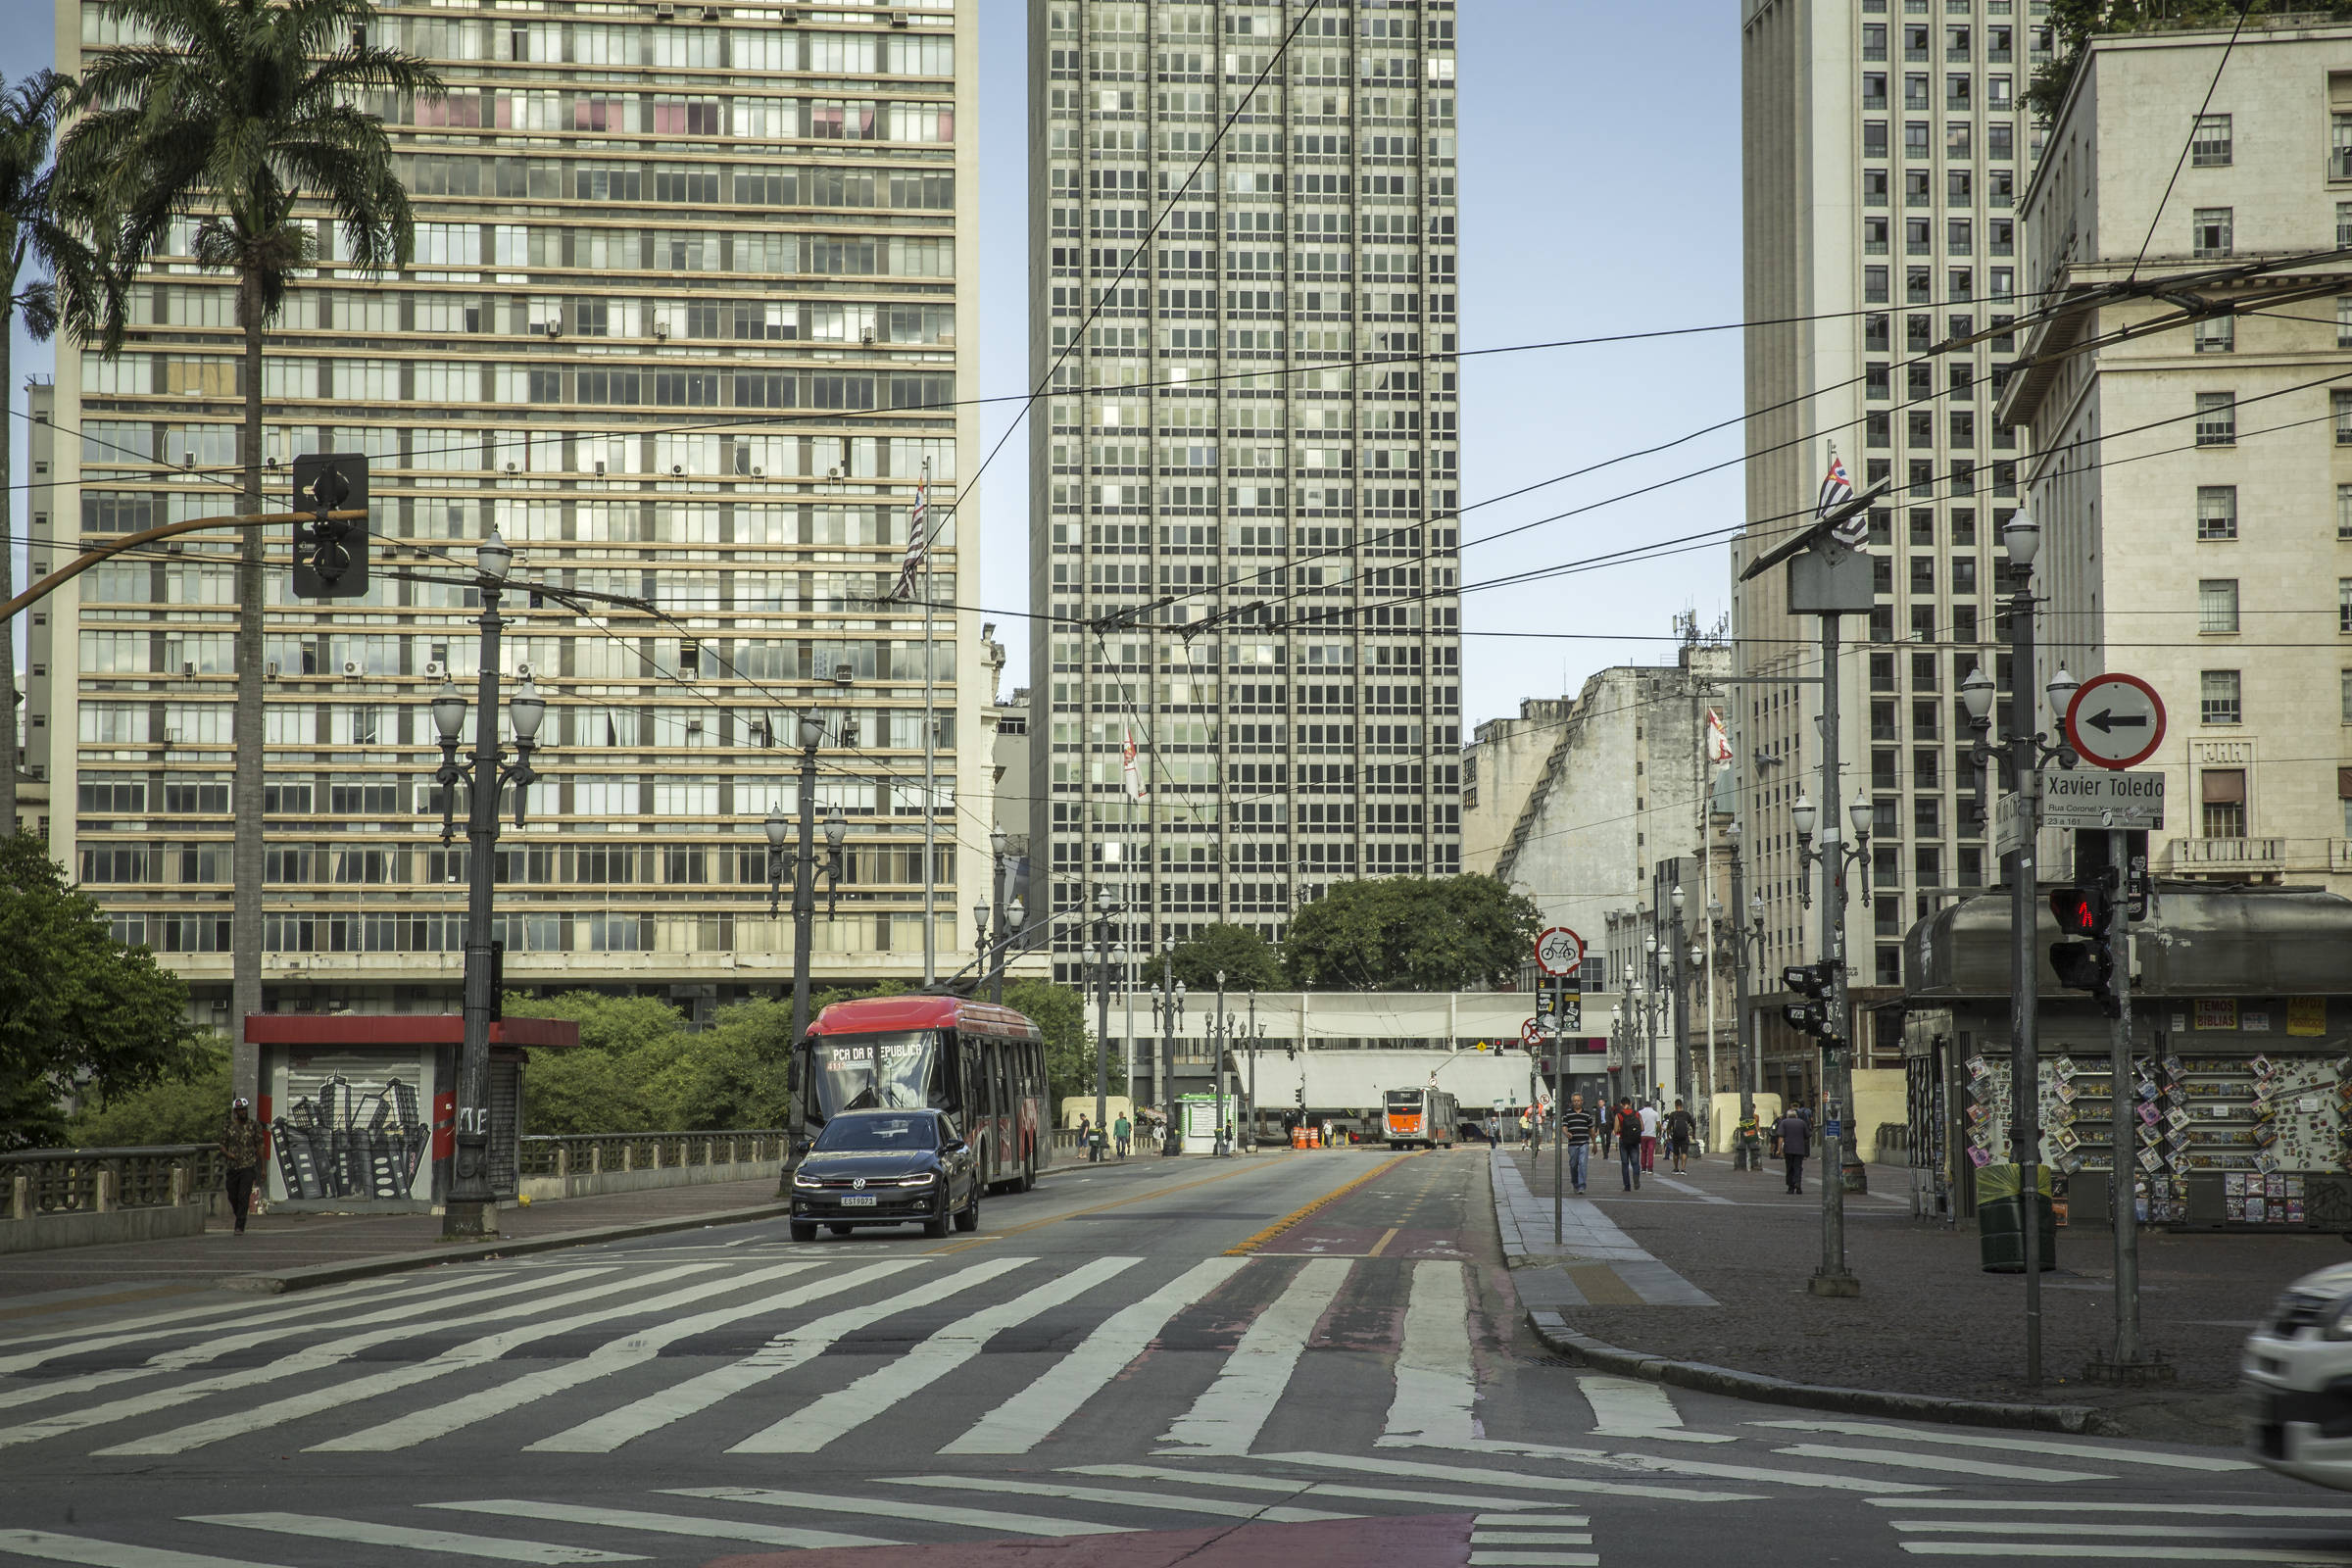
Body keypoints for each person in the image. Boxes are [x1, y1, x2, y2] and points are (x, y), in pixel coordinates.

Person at [219, 1099, 263, 1235]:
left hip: (248, 1166)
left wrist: (263, 1168)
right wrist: (228, 1154)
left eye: (244, 1109)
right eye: (240, 1110)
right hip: (233, 1166)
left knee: (244, 1195)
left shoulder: (254, 1125)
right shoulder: (228, 1126)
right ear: (235, 1112)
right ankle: (239, 1214)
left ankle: (239, 1225)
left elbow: (260, 1146)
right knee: (233, 1195)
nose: (242, 1112)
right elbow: (221, 1145)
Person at [1560, 1093, 1593, 1196]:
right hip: (1573, 1144)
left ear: (1582, 1102)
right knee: (1573, 1165)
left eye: (1578, 1100)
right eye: (1574, 1101)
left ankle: (1581, 1186)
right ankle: (1575, 1183)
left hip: (1584, 1143)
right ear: (1572, 1102)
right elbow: (1564, 1126)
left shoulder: (1587, 1114)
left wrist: (1595, 1144)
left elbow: (1591, 1129)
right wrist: (1566, 1133)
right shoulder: (1567, 1114)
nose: (1576, 1102)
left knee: (1583, 1164)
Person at [1778, 1104, 1811, 1194]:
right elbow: (1807, 1135)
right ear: (1796, 1116)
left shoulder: (1784, 1122)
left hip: (1788, 1149)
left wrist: (1779, 1150)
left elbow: (1781, 1137)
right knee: (1798, 1167)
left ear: (1787, 1116)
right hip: (1800, 1149)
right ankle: (1798, 1183)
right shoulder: (1802, 1122)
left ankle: (1790, 1187)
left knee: (1789, 1168)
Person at [1614, 1099, 1643, 1191]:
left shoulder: (1619, 1115)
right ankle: (1636, 1179)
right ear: (1630, 1104)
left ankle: (1627, 1186)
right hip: (1635, 1141)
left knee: (1625, 1164)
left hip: (1624, 1141)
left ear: (1621, 1104)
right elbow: (1642, 1128)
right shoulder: (1637, 1114)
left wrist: (1622, 1129)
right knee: (1635, 1163)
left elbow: (1616, 1130)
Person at [1666, 1099, 1694, 1174]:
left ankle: (1676, 1168)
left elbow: (1668, 1127)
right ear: (1681, 1105)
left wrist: (1668, 1136)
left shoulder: (1673, 1114)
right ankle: (1683, 1169)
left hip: (1675, 1136)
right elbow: (1693, 1124)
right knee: (1684, 1152)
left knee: (1676, 1153)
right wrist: (1693, 1134)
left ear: (1675, 1105)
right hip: (1684, 1136)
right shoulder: (1686, 1114)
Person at [1637, 1100, 1661, 1173]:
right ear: (1651, 1106)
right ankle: (1650, 1168)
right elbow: (1659, 1125)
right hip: (1652, 1135)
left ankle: (1643, 1168)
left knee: (1643, 1151)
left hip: (1642, 1134)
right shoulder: (1655, 1113)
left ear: (1644, 1105)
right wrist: (1659, 1133)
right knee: (1650, 1152)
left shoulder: (1639, 1113)